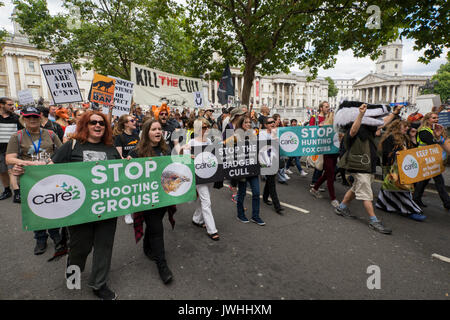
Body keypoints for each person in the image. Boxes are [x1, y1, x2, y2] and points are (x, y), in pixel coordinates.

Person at [51, 111, 121, 299]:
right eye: (93, 122)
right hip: (79, 209)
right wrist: (25, 169)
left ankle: (99, 284)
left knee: (104, 247)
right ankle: (73, 272)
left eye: (101, 123)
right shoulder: (71, 146)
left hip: (107, 208)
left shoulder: (111, 149)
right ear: (85, 125)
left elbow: (121, 175)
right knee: (80, 247)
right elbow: (48, 170)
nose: (98, 126)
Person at [334, 103, 401, 234]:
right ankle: (373, 220)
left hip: (368, 166)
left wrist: (395, 113)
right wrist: (361, 114)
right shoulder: (351, 132)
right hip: (359, 167)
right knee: (366, 194)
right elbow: (354, 129)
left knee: (355, 188)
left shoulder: (368, 131)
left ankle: (341, 207)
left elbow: (382, 122)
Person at [6, 106, 63, 254]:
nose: (32, 120)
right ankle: (40, 238)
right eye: (28, 117)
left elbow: (62, 153)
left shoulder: (50, 134)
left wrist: (52, 163)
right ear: (23, 118)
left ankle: (56, 236)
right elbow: (9, 158)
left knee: (53, 208)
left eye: (35, 117)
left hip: (51, 179)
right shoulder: (17, 136)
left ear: (40, 117)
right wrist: (29, 164)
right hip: (29, 180)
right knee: (35, 211)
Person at [128, 119, 174, 284]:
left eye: (159, 129)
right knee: (157, 228)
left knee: (154, 225)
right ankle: (162, 266)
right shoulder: (136, 152)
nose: (158, 132)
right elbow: (128, 175)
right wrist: (127, 165)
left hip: (163, 197)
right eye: (154, 129)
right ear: (146, 132)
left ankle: (147, 247)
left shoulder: (165, 149)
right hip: (146, 199)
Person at [375, 120, 425, 221]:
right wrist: (396, 154)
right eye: (405, 126)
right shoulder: (390, 137)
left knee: (390, 188)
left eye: (408, 126)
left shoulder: (405, 137)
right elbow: (386, 153)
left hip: (403, 168)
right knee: (401, 189)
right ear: (397, 127)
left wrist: (412, 137)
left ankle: (383, 204)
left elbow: (413, 151)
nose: (407, 128)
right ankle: (410, 210)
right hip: (392, 168)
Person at [180, 118, 219, 240]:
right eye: (203, 127)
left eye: (207, 126)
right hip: (198, 176)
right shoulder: (191, 142)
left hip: (209, 174)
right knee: (206, 201)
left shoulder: (208, 141)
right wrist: (187, 154)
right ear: (198, 128)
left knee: (204, 200)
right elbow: (185, 160)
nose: (207, 129)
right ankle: (212, 230)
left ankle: (197, 219)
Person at [413, 112, 450, 210]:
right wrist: (440, 138)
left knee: (424, 181)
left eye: (437, 117)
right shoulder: (423, 131)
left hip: (432, 160)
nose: (436, 119)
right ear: (427, 120)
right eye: (434, 118)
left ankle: (416, 199)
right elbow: (432, 144)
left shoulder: (433, 130)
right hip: (426, 161)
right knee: (439, 182)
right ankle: (447, 203)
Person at [232, 115, 264, 224]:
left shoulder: (253, 134)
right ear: (241, 124)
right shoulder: (236, 135)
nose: (249, 124)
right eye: (246, 122)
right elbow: (225, 145)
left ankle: (255, 216)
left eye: (250, 122)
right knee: (242, 193)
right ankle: (240, 214)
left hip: (253, 168)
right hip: (242, 169)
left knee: (256, 192)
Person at [113, 114, 140, 225]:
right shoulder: (120, 137)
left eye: (134, 120)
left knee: (136, 190)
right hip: (126, 168)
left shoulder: (136, 135)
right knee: (127, 191)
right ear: (125, 124)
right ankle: (127, 213)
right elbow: (120, 156)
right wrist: (125, 160)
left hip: (137, 167)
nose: (134, 122)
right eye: (132, 120)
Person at [309, 111, 340, 208]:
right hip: (327, 154)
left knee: (327, 174)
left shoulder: (338, 128)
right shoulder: (324, 127)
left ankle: (314, 189)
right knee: (330, 175)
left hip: (335, 153)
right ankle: (333, 198)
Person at [259, 116, 284, 215]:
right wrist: (273, 136)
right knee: (272, 183)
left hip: (274, 159)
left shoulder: (276, 132)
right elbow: (266, 146)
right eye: (270, 123)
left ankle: (265, 198)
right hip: (266, 161)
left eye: (273, 122)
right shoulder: (262, 134)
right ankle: (277, 206)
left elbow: (278, 145)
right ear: (265, 125)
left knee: (270, 180)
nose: (273, 124)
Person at [0, 97, 22, 202]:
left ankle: (18, 192)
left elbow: (22, 132)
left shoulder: (16, 118)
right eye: (9, 104)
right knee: (2, 171)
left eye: (12, 105)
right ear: (1, 105)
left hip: (12, 149)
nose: (12, 107)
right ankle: (7, 190)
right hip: (0, 149)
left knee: (12, 170)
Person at [309, 101, 330, 190]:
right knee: (320, 164)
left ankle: (315, 181)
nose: (328, 108)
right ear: (321, 108)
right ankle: (315, 182)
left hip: (326, 143)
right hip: (318, 144)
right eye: (326, 107)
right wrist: (319, 127)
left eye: (328, 106)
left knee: (321, 164)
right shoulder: (315, 117)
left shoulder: (329, 118)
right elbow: (310, 130)